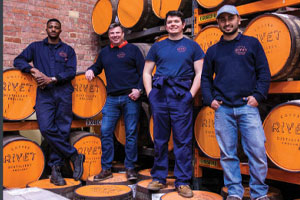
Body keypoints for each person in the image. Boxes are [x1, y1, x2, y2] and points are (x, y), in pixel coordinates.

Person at [201, 5, 271, 200]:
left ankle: (259, 193)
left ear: (238, 20)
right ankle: (234, 192)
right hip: (223, 109)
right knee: (228, 155)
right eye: (222, 19)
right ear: (218, 23)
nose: (226, 23)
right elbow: (205, 78)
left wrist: (257, 97)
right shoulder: (213, 50)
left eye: (230, 18)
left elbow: (264, 72)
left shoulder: (251, 43)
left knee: (257, 152)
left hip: (247, 107)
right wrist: (210, 100)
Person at [14, 18, 85, 186]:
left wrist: (52, 79)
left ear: (60, 30)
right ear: (46, 29)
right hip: (44, 95)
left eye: (56, 27)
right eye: (51, 27)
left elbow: (71, 72)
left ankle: (55, 169)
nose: (53, 29)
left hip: (63, 93)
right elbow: (18, 60)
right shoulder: (35, 47)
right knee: (46, 128)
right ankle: (74, 155)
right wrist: (33, 70)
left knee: (62, 130)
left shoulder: (68, 50)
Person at [143, 10, 205, 198]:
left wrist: (190, 95)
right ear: (166, 25)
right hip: (160, 95)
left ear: (183, 25)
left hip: (181, 96)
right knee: (160, 139)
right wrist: (150, 94)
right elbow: (147, 72)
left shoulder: (192, 46)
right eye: (170, 22)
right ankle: (159, 178)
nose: (173, 24)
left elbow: (200, 73)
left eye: (176, 21)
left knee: (182, 141)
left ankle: (183, 181)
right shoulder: (157, 47)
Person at [85, 23, 144, 181]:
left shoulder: (133, 50)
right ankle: (106, 168)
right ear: (109, 35)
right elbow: (97, 67)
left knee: (130, 133)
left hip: (130, 97)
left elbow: (143, 72)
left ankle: (130, 168)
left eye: (118, 33)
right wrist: (91, 69)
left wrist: (139, 90)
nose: (115, 35)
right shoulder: (104, 52)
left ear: (123, 33)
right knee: (105, 131)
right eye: (112, 33)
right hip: (111, 98)